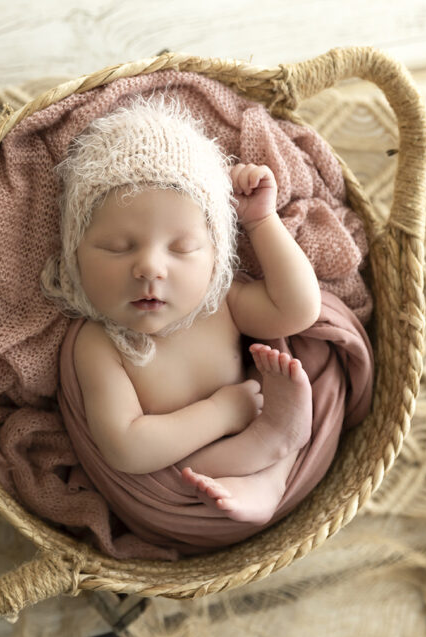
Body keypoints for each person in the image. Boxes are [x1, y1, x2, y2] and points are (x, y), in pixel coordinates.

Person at [42, 96, 321, 525]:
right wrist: (220, 412)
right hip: (181, 490)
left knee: (321, 364)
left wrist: (261, 222)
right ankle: (269, 452)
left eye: (183, 247)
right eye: (117, 247)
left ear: (215, 255)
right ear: (74, 256)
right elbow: (126, 447)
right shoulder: (101, 343)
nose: (150, 267)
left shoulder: (221, 303)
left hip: (257, 450)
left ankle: (273, 470)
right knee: (176, 466)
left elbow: (299, 309)